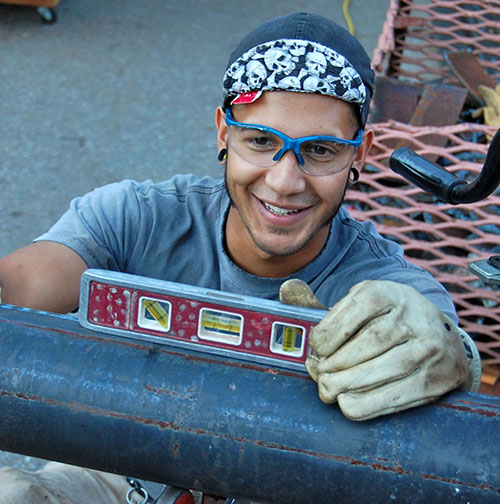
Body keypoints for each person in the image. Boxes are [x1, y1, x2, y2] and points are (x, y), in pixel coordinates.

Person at [0, 11, 481, 504]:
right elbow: (20, 286)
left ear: (359, 155)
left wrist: (444, 350)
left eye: (320, 151)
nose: (284, 181)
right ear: (223, 134)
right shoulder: (136, 218)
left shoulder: (383, 285)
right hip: (117, 469)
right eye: (260, 141)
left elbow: (446, 348)